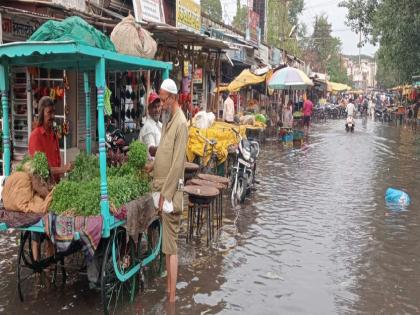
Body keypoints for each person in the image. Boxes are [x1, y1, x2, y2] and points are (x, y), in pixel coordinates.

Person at [145, 79, 188, 303]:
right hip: (162, 189)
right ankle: (169, 293)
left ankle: (171, 299)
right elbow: (164, 150)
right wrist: (152, 166)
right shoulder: (170, 121)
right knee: (168, 247)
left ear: (172, 98)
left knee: (171, 248)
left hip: (170, 193)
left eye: (163, 100)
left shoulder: (180, 123)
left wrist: (165, 195)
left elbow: (178, 163)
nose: (160, 104)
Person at [28, 96, 72, 262]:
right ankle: (38, 268)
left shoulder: (53, 134)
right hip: (40, 188)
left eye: (54, 112)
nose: (53, 115)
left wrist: (61, 173)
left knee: (51, 230)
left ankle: (51, 261)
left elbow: (56, 159)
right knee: (37, 232)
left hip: (54, 186)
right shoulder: (35, 136)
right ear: (41, 114)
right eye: (49, 112)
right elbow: (40, 170)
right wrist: (63, 169)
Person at [139, 92, 162, 158]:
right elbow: (151, 151)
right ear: (149, 109)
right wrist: (167, 148)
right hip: (150, 166)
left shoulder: (160, 125)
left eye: (158, 106)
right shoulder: (148, 127)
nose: (157, 110)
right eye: (154, 107)